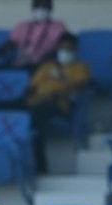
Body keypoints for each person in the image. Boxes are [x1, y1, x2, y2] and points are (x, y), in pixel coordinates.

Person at [24, 32, 90, 173]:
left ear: (75, 50)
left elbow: (78, 88)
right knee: (1, 108)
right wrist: (30, 99)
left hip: (58, 107)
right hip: (35, 103)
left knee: (34, 121)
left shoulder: (80, 68)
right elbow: (31, 88)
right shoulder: (46, 67)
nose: (65, 52)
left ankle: (40, 167)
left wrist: (51, 96)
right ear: (57, 49)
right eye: (62, 49)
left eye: (69, 49)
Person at [0, 0, 68, 71]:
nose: (41, 10)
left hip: (42, 64)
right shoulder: (23, 26)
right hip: (20, 62)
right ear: (32, 8)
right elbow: (10, 43)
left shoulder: (58, 26)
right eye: (38, 6)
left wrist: (48, 58)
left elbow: (64, 45)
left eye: (45, 7)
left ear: (51, 9)